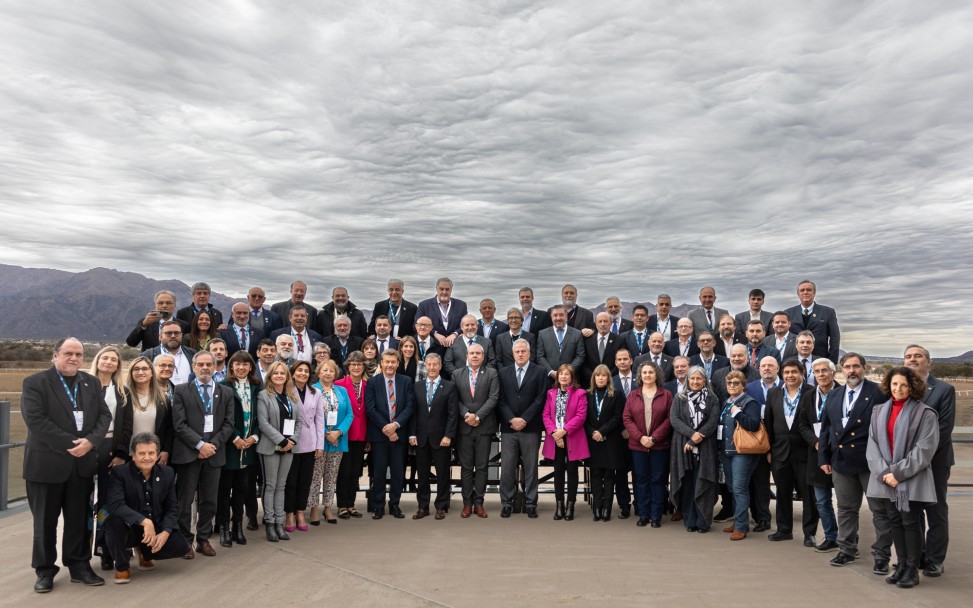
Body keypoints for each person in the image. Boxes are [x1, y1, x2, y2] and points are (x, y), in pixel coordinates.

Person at [22, 337, 112, 592]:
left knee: (78, 520)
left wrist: (91, 442)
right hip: (46, 465)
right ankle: (44, 570)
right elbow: (36, 420)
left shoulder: (91, 383)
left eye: (79, 354)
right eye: (68, 353)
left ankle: (79, 565)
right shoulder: (35, 383)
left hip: (81, 466)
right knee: (44, 522)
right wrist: (74, 443)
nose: (74, 358)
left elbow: (104, 416)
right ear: (55, 355)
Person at [866, 367, 939, 589]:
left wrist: (897, 473)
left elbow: (925, 449)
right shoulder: (879, 411)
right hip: (885, 479)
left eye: (904, 385)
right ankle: (901, 565)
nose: (899, 389)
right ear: (889, 385)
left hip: (911, 478)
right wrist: (885, 474)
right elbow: (872, 446)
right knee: (894, 522)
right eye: (895, 384)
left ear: (913, 387)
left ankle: (912, 569)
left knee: (910, 523)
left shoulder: (925, 413)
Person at [819, 353, 889, 569]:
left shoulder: (878, 393)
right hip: (841, 462)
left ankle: (882, 556)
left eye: (856, 366)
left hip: (870, 463)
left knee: (880, 511)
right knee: (846, 509)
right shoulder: (834, 394)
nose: (852, 371)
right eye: (847, 367)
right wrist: (824, 457)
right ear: (841, 370)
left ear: (864, 368)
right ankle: (847, 549)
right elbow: (826, 429)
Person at [102, 432, 191, 584]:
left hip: (154, 528)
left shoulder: (167, 473)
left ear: (157, 455)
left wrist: (165, 532)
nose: (147, 457)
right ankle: (122, 566)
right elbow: (116, 505)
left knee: (182, 547)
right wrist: (145, 522)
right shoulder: (119, 473)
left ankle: (145, 553)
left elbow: (172, 507)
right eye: (141, 453)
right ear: (133, 455)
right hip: (128, 528)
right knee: (113, 523)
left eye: (151, 453)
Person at [170, 351, 235, 557]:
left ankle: (203, 539)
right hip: (189, 454)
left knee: (209, 500)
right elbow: (179, 425)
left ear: (215, 367)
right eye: (201, 364)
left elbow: (228, 424)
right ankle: (185, 542)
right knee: (185, 501)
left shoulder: (226, 392)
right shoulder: (181, 391)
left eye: (209, 364)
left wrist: (211, 446)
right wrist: (199, 445)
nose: (205, 368)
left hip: (214, 454)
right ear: (194, 366)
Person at [902, 345, 955, 578]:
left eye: (918, 356)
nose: (913, 359)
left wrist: (918, 455)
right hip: (906, 463)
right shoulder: (899, 389)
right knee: (912, 512)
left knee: (935, 511)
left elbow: (943, 429)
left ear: (928, 362)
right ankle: (917, 556)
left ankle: (935, 559)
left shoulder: (944, 389)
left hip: (934, 462)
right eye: (908, 356)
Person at [88, 346, 133, 570]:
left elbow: (126, 426)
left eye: (113, 359)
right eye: (104, 358)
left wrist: (121, 453)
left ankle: (105, 549)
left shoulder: (122, 391)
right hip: (86, 450)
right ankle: (80, 553)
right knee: (83, 504)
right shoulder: (83, 386)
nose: (108, 362)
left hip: (111, 448)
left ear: (118, 365)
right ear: (97, 360)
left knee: (107, 502)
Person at [764, 358, 815, 543]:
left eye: (794, 372)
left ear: (802, 373)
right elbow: (769, 422)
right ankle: (784, 530)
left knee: (808, 494)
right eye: (786, 372)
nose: (790, 375)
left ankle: (810, 533)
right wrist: (769, 449)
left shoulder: (811, 392)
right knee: (782, 493)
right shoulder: (773, 393)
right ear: (781, 374)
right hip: (780, 452)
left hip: (805, 452)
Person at [497, 339, 548, 518]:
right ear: (513, 353)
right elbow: (500, 399)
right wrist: (512, 419)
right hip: (509, 428)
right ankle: (507, 503)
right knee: (507, 468)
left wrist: (524, 419)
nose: (520, 354)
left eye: (523, 351)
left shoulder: (540, 372)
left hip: (530, 427)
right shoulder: (503, 373)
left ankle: (531, 502)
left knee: (531, 467)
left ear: (529, 353)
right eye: (517, 351)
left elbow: (540, 398)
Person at [364, 349, 416, 519]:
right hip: (380, 436)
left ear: (398, 364)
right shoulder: (373, 382)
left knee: (398, 473)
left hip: (399, 434)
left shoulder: (406, 381)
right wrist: (387, 428)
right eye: (387, 362)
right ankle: (378, 506)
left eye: (393, 362)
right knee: (378, 472)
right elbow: (370, 408)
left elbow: (410, 406)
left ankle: (395, 504)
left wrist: (395, 425)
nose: (390, 365)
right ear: (381, 363)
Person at [217, 351, 261, 548]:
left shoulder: (256, 387)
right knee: (225, 490)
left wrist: (254, 436)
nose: (241, 367)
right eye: (237, 364)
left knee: (242, 490)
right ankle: (224, 528)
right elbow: (222, 417)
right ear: (231, 366)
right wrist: (234, 437)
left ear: (251, 366)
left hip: (249, 447)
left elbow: (262, 416)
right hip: (230, 446)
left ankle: (238, 527)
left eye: (245, 364)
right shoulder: (224, 386)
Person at [669, 366, 720, 533]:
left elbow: (713, 421)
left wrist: (697, 438)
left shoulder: (712, 398)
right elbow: (674, 419)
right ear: (687, 380)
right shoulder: (680, 397)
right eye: (692, 378)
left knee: (703, 482)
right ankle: (690, 520)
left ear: (705, 380)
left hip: (705, 448)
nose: (695, 381)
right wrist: (692, 436)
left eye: (699, 378)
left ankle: (703, 521)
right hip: (683, 447)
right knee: (688, 483)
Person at [255, 361, 302, 541]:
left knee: (281, 486)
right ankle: (270, 523)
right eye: (276, 373)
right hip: (270, 447)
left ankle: (280, 522)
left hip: (289, 448)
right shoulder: (263, 395)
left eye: (282, 373)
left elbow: (298, 422)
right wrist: (281, 440)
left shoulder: (292, 396)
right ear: (270, 376)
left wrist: (292, 440)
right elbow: (263, 423)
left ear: (287, 376)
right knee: (271, 485)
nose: (279, 376)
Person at [623, 362, 673, 528]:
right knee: (641, 479)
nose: (647, 375)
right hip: (638, 446)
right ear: (640, 375)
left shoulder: (666, 395)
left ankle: (656, 515)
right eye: (644, 372)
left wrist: (654, 438)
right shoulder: (633, 395)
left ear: (656, 374)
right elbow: (627, 418)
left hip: (659, 446)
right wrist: (641, 437)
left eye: (650, 372)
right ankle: (643, 514)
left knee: (658, 480)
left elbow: (669, 419)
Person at [797, 358, 840, 552]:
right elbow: (803, 424)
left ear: (833, 372)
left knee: (847, 504)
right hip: (816, 454)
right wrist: (815, 442)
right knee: (822, 501)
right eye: (817, 372)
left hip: (840, 454)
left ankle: (849, 540)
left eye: (825, 371)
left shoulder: (843, 393)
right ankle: (831, 536)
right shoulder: (808, 396)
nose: (821, 375)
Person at [409, 353, 459, 519]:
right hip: (421, 437)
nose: (431, 368)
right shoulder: (417, 386)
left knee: (442, 473)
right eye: (428, 365)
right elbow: (413, 413)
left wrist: (448, 435)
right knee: (422, 474)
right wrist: (412, 434)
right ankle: (423, 506)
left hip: (441, 438)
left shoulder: (449, 386)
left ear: (440, 366)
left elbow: (453, 414)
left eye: (434, 365)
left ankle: (441, 506)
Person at [453, 343, 499, 518]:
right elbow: (454, 398)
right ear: (466, 355)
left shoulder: (491, 373)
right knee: (465, 467)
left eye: (478, 353)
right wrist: (466, 415)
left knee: (481, 467)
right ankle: (467, 503)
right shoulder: (457, 374)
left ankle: (479, 503)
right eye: (471, 353)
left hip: (484, 427)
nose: (475, 356)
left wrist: (477, 416)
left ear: (483, 356)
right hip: (464, 428)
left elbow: (494, 397)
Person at [717, 370, 761, 540]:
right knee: (731, 488)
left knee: (739, 488)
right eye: (729, 383)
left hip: (743, 452)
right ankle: (737, 521)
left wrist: (738, 413)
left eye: (736, 383)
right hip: (727, 451)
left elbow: (753, 425)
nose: (732, 386)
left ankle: (742, 526)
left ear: (743, 385)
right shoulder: (726, 403)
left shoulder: (749, 402)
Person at [543, 364, 590, 521]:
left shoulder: (580, 393)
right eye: (561, 374)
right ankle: (559, 506)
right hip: (555, 439)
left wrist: (564, 431)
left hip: (573, 438)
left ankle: (570, 506)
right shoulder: (551, 393)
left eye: (567, 374)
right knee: (558, 473)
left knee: (572, 472)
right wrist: (556, 434)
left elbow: (580, 416)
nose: (563, 376)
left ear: (572, 378)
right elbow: (546, 415)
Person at [310, 359, 353, 524]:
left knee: (331, 476)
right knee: (316, 476)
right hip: (319, 442)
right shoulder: (313, 390)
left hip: (338, 440)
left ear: (335, 374)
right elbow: (310, 416)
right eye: (325, 370)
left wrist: (338, 432)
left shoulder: (342, 391)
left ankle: (328, 507)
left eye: (331, 371)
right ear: (319, 372)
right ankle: (313, 508)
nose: (328, 373)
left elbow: (349, 414)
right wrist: (325, 434)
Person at [284, 361, 323, 532]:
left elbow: (319, 420)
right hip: (291, 441)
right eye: (299, 370)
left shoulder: (316, 392)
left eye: (306, 371)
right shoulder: (286, 391)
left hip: (310, 442)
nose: (303, 374)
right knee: (291, 481)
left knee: (305, 481)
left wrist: (319, 444)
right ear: (292, 373)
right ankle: (289, 514)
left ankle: (301, 512)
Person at [585, 364, 626, 521]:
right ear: (594, 378)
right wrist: (593, 433)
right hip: (593, 440)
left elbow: (617, 417)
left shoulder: (616, 395)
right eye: (598, 375)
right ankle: (597, 508)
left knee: (609, 476)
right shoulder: (587, 394)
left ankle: (607, 509)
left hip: (610, 440)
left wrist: (602, 432)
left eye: (604, 375)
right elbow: (584, 418)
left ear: (608, 378)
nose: (601, 378)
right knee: (595, 474)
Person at [334, 351, 369, 519]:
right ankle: (341, 505)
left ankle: (351, 504)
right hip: (344, 434)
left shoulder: (368, 385)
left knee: (356, 471)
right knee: (344, 471)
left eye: (360, 364)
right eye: (353, 364)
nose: (356, 367)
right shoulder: (339, 384)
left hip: (361, 435)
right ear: (348, 366)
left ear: (364, 367)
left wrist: (368, 437)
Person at [124, 356, 173, 465]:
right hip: (128, 455)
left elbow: (169, 427)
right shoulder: (123, 397)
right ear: (131, 373)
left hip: (153, 455)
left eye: (145, 369)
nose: (140, 372)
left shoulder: (163, 398)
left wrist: (166, 450)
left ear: (152, 373)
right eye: (136, 369)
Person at [786, 280, 840, 363]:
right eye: (802, 290)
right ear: (798, 294)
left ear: (814, 293)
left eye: (809, 290)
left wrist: (831, 361)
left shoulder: (828, 312)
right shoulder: (788, 313)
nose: (805, 292)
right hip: (794, 361)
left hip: (821, 360)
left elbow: (835, 338)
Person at [612, 348, 637, 519]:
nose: (622, 362)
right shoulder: (611, 381)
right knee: (620, 473)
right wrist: (623, 428)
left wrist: (633, 430)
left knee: (639, 472)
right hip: (619, 435)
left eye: (625, 359)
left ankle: (640, 503)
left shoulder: (642, 379)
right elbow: (611, 410)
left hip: (638, 434)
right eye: (619, 359)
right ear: (615, 362)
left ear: (631, 360)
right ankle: (624, 505)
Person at [415, 277, 469, 347]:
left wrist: (455, 334)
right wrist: (435, 333)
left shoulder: (461, 305)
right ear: (436, 289)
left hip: (454, 345)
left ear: (451, 290)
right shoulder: (424, 305)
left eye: (447, 289)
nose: (444, 292)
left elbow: (465, 325)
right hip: (433, 345)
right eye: (441, 289)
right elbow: (416, 325)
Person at [536, 304, 586, 379]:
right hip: (550, 380)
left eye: (561, 315)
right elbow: (540, 356)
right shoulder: (542, 334)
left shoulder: (577, 334)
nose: (558, 318)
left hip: (571, 379)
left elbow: (580, 356)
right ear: (551, 317)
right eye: (555, 315)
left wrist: (568, 371)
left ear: (566, 316)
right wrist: (551, 372)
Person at [141, 320, 197, 385]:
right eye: (168, 333)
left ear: (181, 335)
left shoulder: (193, 354)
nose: (173, 336)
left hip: (187, 394)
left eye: (176, 333)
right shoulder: (147, 356)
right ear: (160, 336)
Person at [582, 311, 622, 386]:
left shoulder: (619, 340)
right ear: (595, 324)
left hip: (612, 383)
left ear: (610, 323)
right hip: (591, 383)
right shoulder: (587, 341)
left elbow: (619, 363)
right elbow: (584, 363)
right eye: (600, 321)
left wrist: (607, 377)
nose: (603, 324)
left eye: (605, 321)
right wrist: (594, 377)